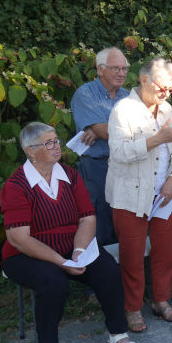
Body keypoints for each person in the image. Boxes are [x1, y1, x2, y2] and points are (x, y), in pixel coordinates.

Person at [1, 122, 139, 343]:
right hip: (25, 254)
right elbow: (19, 238)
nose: (57, 147)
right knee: (53, 282)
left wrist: (77, 251)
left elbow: (88, 217)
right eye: (49, 143)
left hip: (71, 247)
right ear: (30, 151)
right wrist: (60, 261)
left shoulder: (69, 175)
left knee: (107, 268)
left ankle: (118, 332)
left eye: (56, 141)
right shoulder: (16, 185)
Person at [107, 58, 172, 332]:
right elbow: (119, 153)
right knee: (132, 255)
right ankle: (132, 308)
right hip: (130, 196)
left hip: (164, 195)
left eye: (171, 89)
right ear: (143, 80)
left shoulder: (166, 109)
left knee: (164, 252)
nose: (166, 94)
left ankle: (161, 301)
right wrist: (158, 139)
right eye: (162, 87)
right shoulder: (123, 110)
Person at [70, 47, 130, 246]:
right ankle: (100, 268)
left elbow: (144, 129)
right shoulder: (85, 94)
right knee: (100, 220)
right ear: (100, 69)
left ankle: (124, 270)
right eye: (116, 68)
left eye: (124, 69)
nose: (121, 73)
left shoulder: (128, 96)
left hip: (126, 164)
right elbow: (108, 131)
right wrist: (100, 130)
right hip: (97, 167)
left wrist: (99, 129)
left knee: (124, 217)